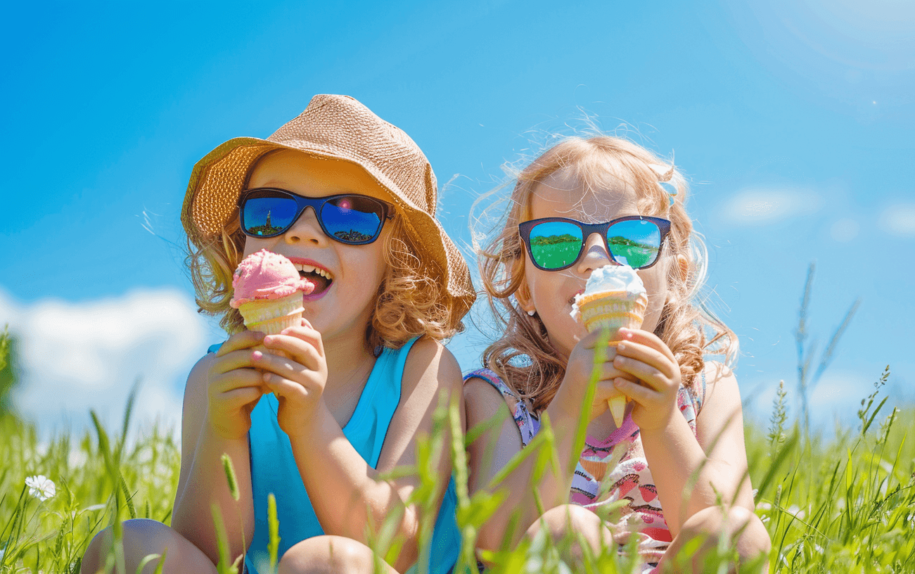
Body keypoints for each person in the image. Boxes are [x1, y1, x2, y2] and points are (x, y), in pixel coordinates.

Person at [82, 95, 475, 574]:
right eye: (271, 211)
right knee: (130, 545)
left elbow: (398, 546)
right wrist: (224, 429)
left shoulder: (421, 369)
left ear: (397, 260)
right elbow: (211, 556)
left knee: (325, 562)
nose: (304, 232)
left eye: (349, 216)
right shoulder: (214, 375)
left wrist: (310, 424)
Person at [464, 135, 771, 572]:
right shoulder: (500, 396)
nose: (595, 258)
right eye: (556, 241)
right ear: (523, 286)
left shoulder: (706, 387)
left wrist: (663, 420)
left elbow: (731, 527)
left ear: (675, 278)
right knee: (567, 532)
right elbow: (496, 543)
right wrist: (570, 407)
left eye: (633, 239)